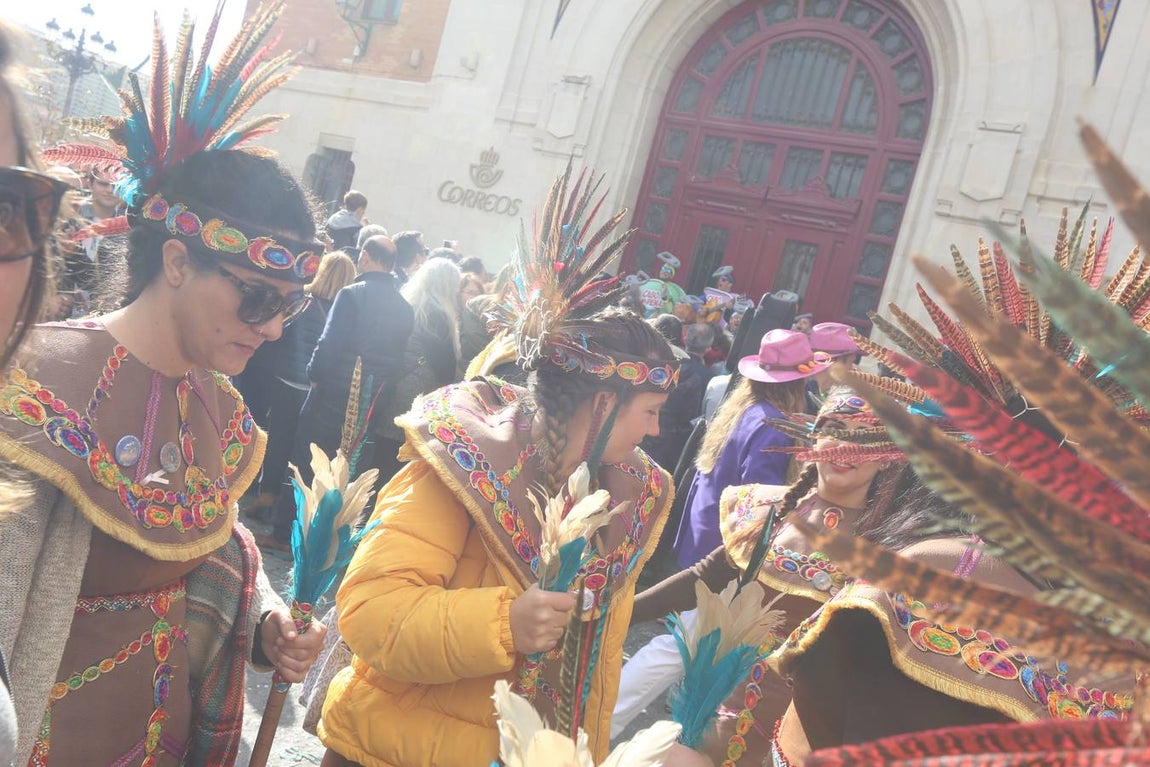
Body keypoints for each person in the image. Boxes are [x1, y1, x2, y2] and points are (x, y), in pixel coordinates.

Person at [1, 7, 326, 766]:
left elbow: (220, 544)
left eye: (291, 304)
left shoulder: (222, 409)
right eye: (257, 297)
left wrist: (268, 619)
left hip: (168, 735)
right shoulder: (35, 385)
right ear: (177, 262)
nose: (273, 328)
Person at [316, 169, 682, 767]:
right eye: (651, 411)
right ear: (603, 402)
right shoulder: (459, 462)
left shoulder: (627, 494)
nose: (658, 431)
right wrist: (505, 621)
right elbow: (370, 613)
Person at [673, 329, 829, 568]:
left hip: (701, 535)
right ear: (799, 383)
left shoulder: (744, 409)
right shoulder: (774, 427)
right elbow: (759, 502)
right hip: (720, 551)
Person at [283, 234, 413, 521]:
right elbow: (398, 362)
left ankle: (288, 529)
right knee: (345, 469)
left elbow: (328, 343)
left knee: (309, 461)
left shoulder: (352, 293)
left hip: (331, 393)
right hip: (371, 401)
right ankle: (327, 531)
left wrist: (315, 376)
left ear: (365, 257)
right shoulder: (405, 308)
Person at [250, 251, 358, 548]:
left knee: (278, 439)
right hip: (315, 388)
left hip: (286, 380)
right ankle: (287, 508)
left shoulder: (304, 302)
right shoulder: (348, 311)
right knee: (302, 451)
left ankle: (266, 494)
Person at [372, 257, 464, 483]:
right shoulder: (439, 315)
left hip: (391, 390)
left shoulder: (407, 304)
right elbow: (446, 371)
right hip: (415, 397)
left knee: (379, 461)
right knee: (398, 468)